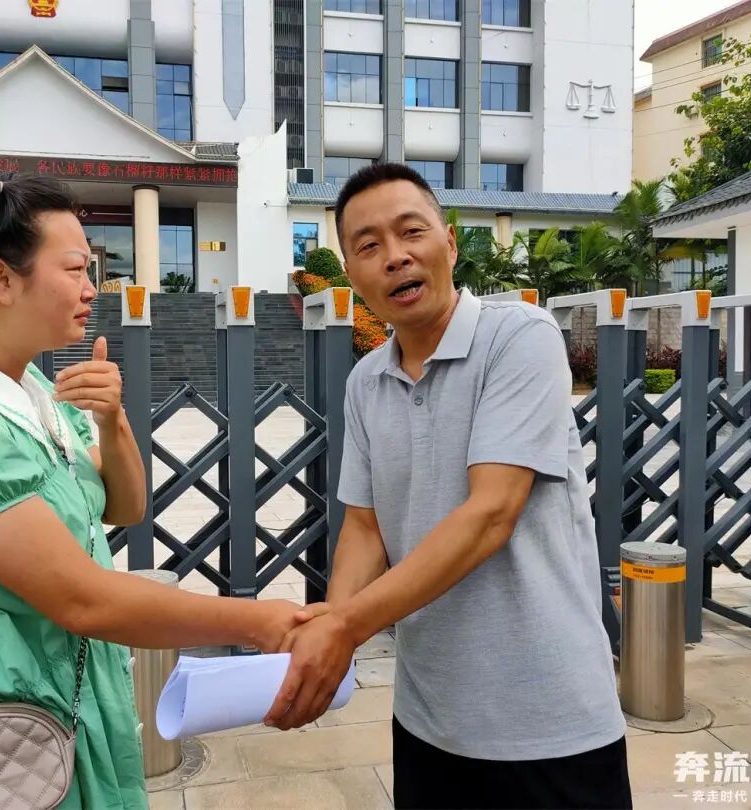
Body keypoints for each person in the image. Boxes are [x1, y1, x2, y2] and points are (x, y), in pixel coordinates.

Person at [0, 174, 308, 809]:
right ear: (1, 279)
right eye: (75, 269)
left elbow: (126, 507)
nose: (93, 288)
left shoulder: (30, 387)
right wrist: (265, 622)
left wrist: (112, 421)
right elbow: (82, 599)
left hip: (63, 717)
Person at [265, 163, 632, 810]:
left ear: (450, 243)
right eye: (368, 245)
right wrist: (330, 633)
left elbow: (491, 513)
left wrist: (343, 626)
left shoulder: (519, 338)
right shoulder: (365, 383)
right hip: (428, 720)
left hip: (550, 721)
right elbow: (365, 526)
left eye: (412, 232)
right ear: (351, 273)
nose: (395, 256)